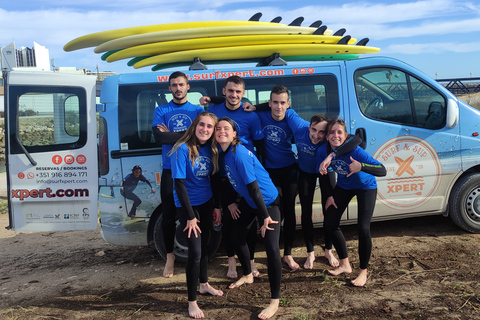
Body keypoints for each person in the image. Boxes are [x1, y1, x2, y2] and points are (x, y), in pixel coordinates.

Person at [215, 117, 281, 320]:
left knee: (271, 247)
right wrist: (231, 203)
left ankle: (274, 301)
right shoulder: (222, 155)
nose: (222, 131)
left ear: (235, 134)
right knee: (235, 235)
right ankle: (247, 274)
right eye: (218, 128)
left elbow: (254, 188)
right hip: (250, 201)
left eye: (227, 128)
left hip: (268, 202)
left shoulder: (239, 154)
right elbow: (226, 182)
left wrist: (265, 217)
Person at [200, 76, 264, 279]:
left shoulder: (250, 114)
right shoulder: (214, 111)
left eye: (238, 91)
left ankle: (251, 262)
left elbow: (260, 145)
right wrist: (208, 100)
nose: (234, 95)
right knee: (228, 219)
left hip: (245, 173)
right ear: (224, 92)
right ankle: (231, 262)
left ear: (243, 93)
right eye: (230, 91)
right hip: (221, 174)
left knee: (249, 223)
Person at [285, 113, 361, 269]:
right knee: (306, 212)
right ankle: (310, 252)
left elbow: (357, 140)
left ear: (326, 134)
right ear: (309, 127)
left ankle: (328, 250)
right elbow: (283, 107)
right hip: (306, 174)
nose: (316, 136)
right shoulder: (299, 127)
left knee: (330, 210)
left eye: (321, 132)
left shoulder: (328, 140)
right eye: (314, 130)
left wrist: (333, 154)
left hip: (326, 173)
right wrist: (254, 107)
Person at [317, 118, 386, 287]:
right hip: (344, 186)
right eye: (332, 132)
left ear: (345, 135)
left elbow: (382, 170)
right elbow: (323, 174)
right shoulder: (324, 151)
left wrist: (361, 166)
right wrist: (330, 195)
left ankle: (363, 271)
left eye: (339, 132)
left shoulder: (355, 151)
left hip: (366, 187)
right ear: (326, 136)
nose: (335, 135)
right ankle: (345, 264)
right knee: (330, 223)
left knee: (363, 228)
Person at [169, 112, 223, 318]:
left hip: (207, 202)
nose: (205, 130)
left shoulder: (212, 148)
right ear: (195, 126)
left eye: (210, 127)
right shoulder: (182, 149)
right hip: (187, 206)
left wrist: (217, 206)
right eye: (202, 125)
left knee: (207, 247)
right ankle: (192, 302)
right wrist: (190, 216)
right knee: (195, 252)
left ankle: (204, 284)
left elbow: (215, 179)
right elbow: (179, 185)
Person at [152, 71, 205, 278]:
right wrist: (188, 135)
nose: (178, 88)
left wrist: (172, 136)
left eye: (181, 85)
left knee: (197, 212)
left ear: (188, 86)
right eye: (174, 85)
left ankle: (199, 256)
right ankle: (170, 258)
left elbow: (202, 137)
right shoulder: (161, 110)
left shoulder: (197, 110)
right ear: (169, 88)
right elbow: (159, 137)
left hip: (193, 168)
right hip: (169, 168)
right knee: (168, 216)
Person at [254, 85, 300, 270]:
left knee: (289, 212)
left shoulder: (291, 116)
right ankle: (273, 252)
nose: (278, 107)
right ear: (269, 103)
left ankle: (287, 254)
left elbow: (304, 126)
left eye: (282, 103)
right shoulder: (261, 115)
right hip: (269, 172)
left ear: (288, 104)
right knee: (274, 211)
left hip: (289, 170)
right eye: (275, 102)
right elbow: (241, 108)